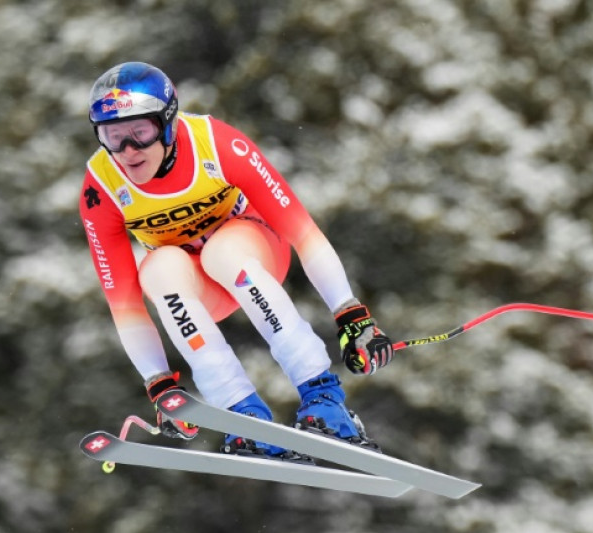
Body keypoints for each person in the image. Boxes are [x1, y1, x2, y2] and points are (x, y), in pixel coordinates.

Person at [79, 61, 394, 457]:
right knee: (157, 270)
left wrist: (350, 313)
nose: (128, 151)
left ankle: (322, 397)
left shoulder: (216, 143)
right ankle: (243, 417)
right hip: (198, 287)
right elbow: (123, 303)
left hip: (254, 252)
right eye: (113, 136)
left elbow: (304, 233)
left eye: (140, 132)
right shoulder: (101, 187)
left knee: (222, 252)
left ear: (168, 122)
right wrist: (159, 381)